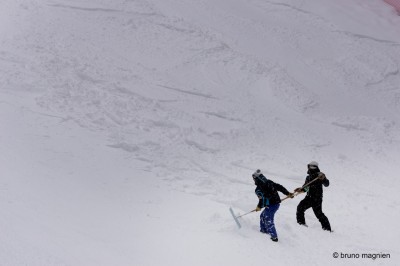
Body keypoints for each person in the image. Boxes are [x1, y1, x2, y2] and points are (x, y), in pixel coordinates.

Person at [252, 169, 294, 242]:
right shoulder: (269, 182)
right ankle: (263, 231)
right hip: (275, 204)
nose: (253, 180)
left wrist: (259, 206)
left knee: (268, 219)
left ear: (256, 179)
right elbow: (279, 187)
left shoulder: (258, 189)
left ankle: (274, 237)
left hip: (272, 205)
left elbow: (262, 200)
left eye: (254, 179)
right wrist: (287, 193)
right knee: (262, 216)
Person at [294, 161, 332, 232]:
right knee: (300, 207)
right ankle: (301, 224)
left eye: (312, 167)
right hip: (309, 197)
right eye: (310, 167)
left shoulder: (320, 175)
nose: (310, 168)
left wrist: (324, 179)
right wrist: (300, 190)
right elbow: (306, 188)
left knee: (319, 214)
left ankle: (327, 229)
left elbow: (327, 184)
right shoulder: (308, 177)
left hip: (317, 198)